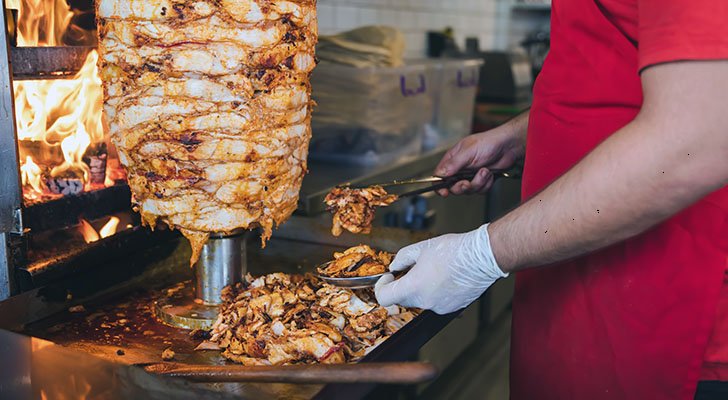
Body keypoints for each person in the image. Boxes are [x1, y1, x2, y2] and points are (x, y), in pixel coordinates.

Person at [374, 2, 728, 399]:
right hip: (577, 294)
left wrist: (481, 255)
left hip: (665, 315)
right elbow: (616, 71)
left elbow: (699, 140)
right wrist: (528, 131)